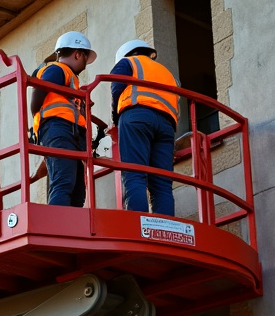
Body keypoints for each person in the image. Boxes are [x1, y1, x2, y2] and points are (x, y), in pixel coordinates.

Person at [110, 39, 180, 215]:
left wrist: (116, 119)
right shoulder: (167, 73)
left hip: (136, 117)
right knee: (162, 184)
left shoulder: (128, 62)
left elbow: (116, 87)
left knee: (135, 174)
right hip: (166, 125)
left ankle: (136, 224)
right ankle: (165, 227)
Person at [29, 31, 97, 207]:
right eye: (85, 57)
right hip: (58, 129)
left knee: (77, 189)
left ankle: (71, 227)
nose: (85, 64)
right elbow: (36, 100)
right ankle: (59, 226)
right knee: (64, 181)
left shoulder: (69, 77)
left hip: (69, 133)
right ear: (77, 54)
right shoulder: (57, 69)